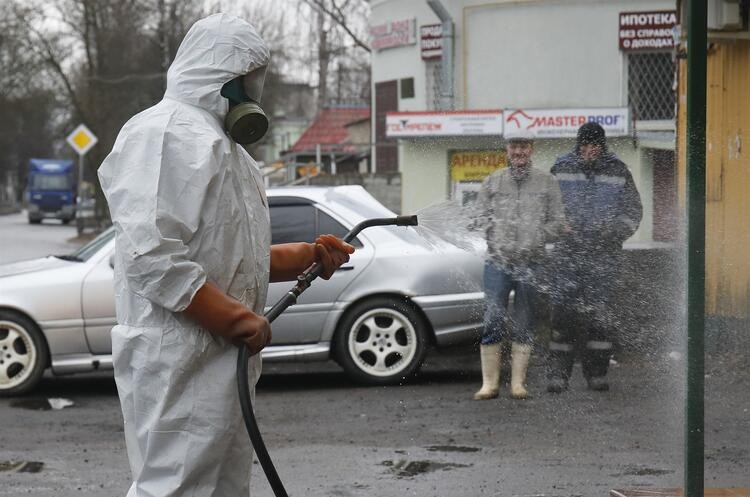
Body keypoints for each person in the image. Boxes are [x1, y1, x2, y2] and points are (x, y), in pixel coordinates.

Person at [98, 14, 354, 497]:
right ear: (223, 76)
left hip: (218, 356)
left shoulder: (230, 151)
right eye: (249, 77)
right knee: (173, 488)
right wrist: (234, 318)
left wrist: (304, 255)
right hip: (177, 355)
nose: (255, 90)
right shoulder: (163, 133)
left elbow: (228, 254)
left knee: (222, 488)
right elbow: (150, 255)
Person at [547, 122, 643, 393]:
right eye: (585, 146)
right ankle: (558, 375)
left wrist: (613, 233)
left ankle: (596, 374)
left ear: (603, 146)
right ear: (578, 145)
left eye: (595, 146)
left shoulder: (619, 170)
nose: (590, 151)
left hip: (604, 257)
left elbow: (633, 211)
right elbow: (546, 208)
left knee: (599, 318)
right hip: (567, 256)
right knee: (562, 317)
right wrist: (559, 227)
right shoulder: (561, 168)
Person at [471, 131, 566, 400]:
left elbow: (559, 223)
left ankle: (518, 384)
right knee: (493, 318)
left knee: (525, 321)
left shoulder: (547, 182)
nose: (519, 151)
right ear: (507, 150)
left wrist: (538, 235)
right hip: (497, 262)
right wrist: (490, 231)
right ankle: (489, 384)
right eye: (514, 146)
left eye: (524, 146)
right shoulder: (493, 181)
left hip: (532, 262)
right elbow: (478, 218)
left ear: (531, 149)